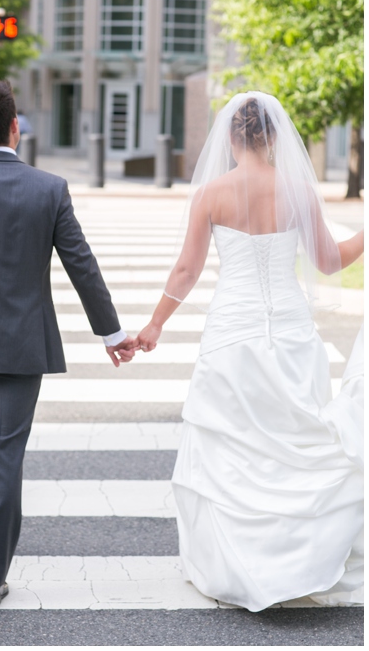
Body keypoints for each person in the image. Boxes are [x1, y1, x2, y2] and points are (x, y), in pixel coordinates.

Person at [135, 92, 364, 611]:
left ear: (231, 138)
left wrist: (155, 325)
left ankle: (234, 563)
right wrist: (366, 235)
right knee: (294, 438)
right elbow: (329, 261)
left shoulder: (212, 193)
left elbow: (186, 271)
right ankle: (299, 560)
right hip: (290, 328)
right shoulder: (298, 190)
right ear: (275, 136)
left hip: (232, 331)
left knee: (230, 447)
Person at [0, 80, 137, 610]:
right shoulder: (50, 189)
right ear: (15, 127)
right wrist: (110, 332)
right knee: (3, 451)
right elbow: (80, 263)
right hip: (22, 343)